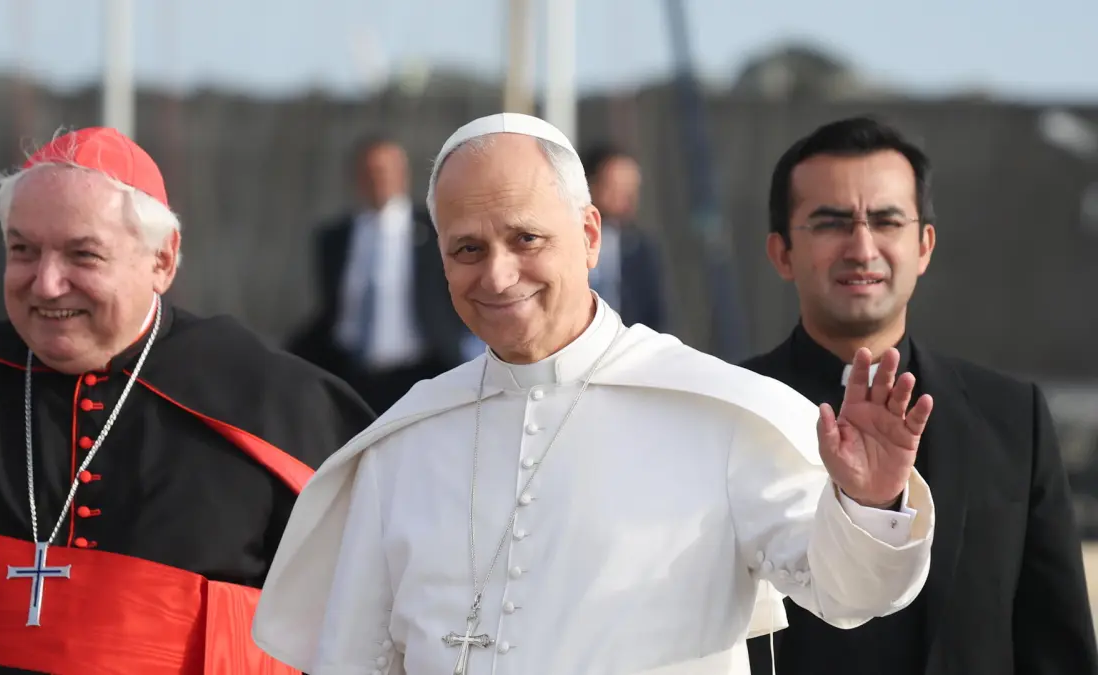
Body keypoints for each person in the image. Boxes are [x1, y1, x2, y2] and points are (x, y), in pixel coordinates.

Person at [251, 112, 941, 674]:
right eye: (467, 249)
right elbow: (355, 659)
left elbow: (848, 590)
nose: (498, 275)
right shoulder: (403, 440)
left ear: (588, 236)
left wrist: (869, 502)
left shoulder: (717, 411)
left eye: (526, 238)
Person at [0, 127, 375, 674]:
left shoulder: (280, 406)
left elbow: (358, 625)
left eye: (83, 255)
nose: (46, 284)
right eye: (23, 250)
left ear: (162, 261)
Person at [742, 116, 1098, 675]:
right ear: (782, 252)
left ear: (924, 245)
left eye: (886, 221)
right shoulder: (729, 412)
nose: (862, 247)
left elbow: (1056, 646)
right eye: (831, 222)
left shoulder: (1012, 419)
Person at [285, 135, 466, 414]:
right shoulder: (335, 238)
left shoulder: (435, 231)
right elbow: (333, 308)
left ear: (403, 174)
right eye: (370, 172)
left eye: (386, 171)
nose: (379, 180)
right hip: (352, 374)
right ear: (357, 178)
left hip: (420, 372)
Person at [580, 145, 669, 331]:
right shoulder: (566, 239)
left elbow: (654, 316)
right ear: (590, 185)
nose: (628, 198)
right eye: (616, 188)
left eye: (632, 190)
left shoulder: (640, 249)